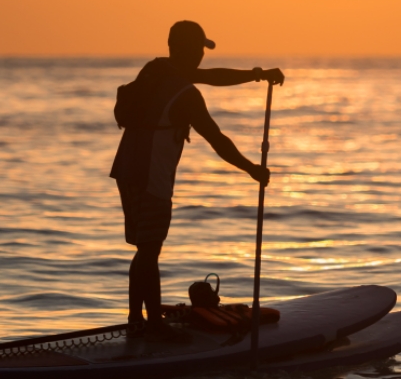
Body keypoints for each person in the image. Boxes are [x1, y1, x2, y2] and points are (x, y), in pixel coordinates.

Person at [109, 20, 284, 342]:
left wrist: (256, 74)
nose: (202, 55)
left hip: (126, 169)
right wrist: (252, 169)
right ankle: (153, 326)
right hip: (151, 175)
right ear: (187, 49)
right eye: (199, 48)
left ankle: (137, 319)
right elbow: (217, 140)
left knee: (144, 250)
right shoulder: (186, 95)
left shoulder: (156, 70)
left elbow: (212, 77)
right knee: (150, 250)